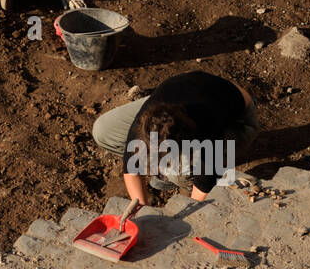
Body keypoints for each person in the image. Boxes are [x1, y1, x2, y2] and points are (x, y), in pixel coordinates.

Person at [91, 71, 259, 206]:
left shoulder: (208, 129)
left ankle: (182, 185)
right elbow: (131, 168)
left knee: (180, 173)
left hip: (240, 120)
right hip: (185, 94)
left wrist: (185, 216)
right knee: (104, 130)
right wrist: (142, 210)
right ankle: (168, 170)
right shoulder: (152, 116)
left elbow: (202, 188)